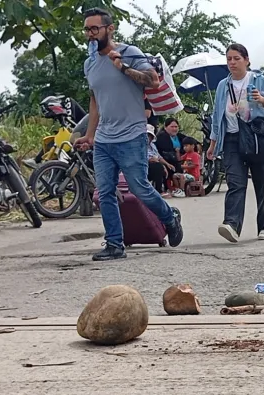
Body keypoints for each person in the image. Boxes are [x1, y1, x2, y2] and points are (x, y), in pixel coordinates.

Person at [76, 7, 183, 261]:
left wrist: (123, 67)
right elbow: (95, 100)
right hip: (103, 140)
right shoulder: (89, 64)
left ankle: (170, 216)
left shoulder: (129, 53)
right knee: (105, 193)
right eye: (87, 29)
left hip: (132, 135)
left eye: (95, 29)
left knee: (140, 188)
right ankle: (114, 243)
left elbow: (152, 80)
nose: (90, 34)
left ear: (109, 29)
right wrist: (90, 136)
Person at [205, 43, 264, 243]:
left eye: (236, 58)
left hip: (258, 137)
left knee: (263, 182)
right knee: (235, 182)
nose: (232, 62)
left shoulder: (259, 80)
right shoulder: (224, 85)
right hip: (232, 138)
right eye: (229, 59)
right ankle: (232, 224)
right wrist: (213, 143)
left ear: (247, 60)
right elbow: (217, 116)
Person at [155, 118, 186, 195]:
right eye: (172, 127)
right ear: (165, 127)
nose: (174, 129)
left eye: (176, 127)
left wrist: (198, 144)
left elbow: (190, 141)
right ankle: (170, 188)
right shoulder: (162, 136)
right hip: (166, 160)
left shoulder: (179, 136)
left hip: (179, 159)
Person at [145, 125, 176, 196]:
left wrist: (167, 164)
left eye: (149, 136)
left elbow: (158, 156)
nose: (148, 137)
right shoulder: (139, 146)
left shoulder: (152, 145)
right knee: (158, 166)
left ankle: (170, 188)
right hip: (144, 166)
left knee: (170, 166)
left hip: (155, 164)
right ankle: (159, 190)